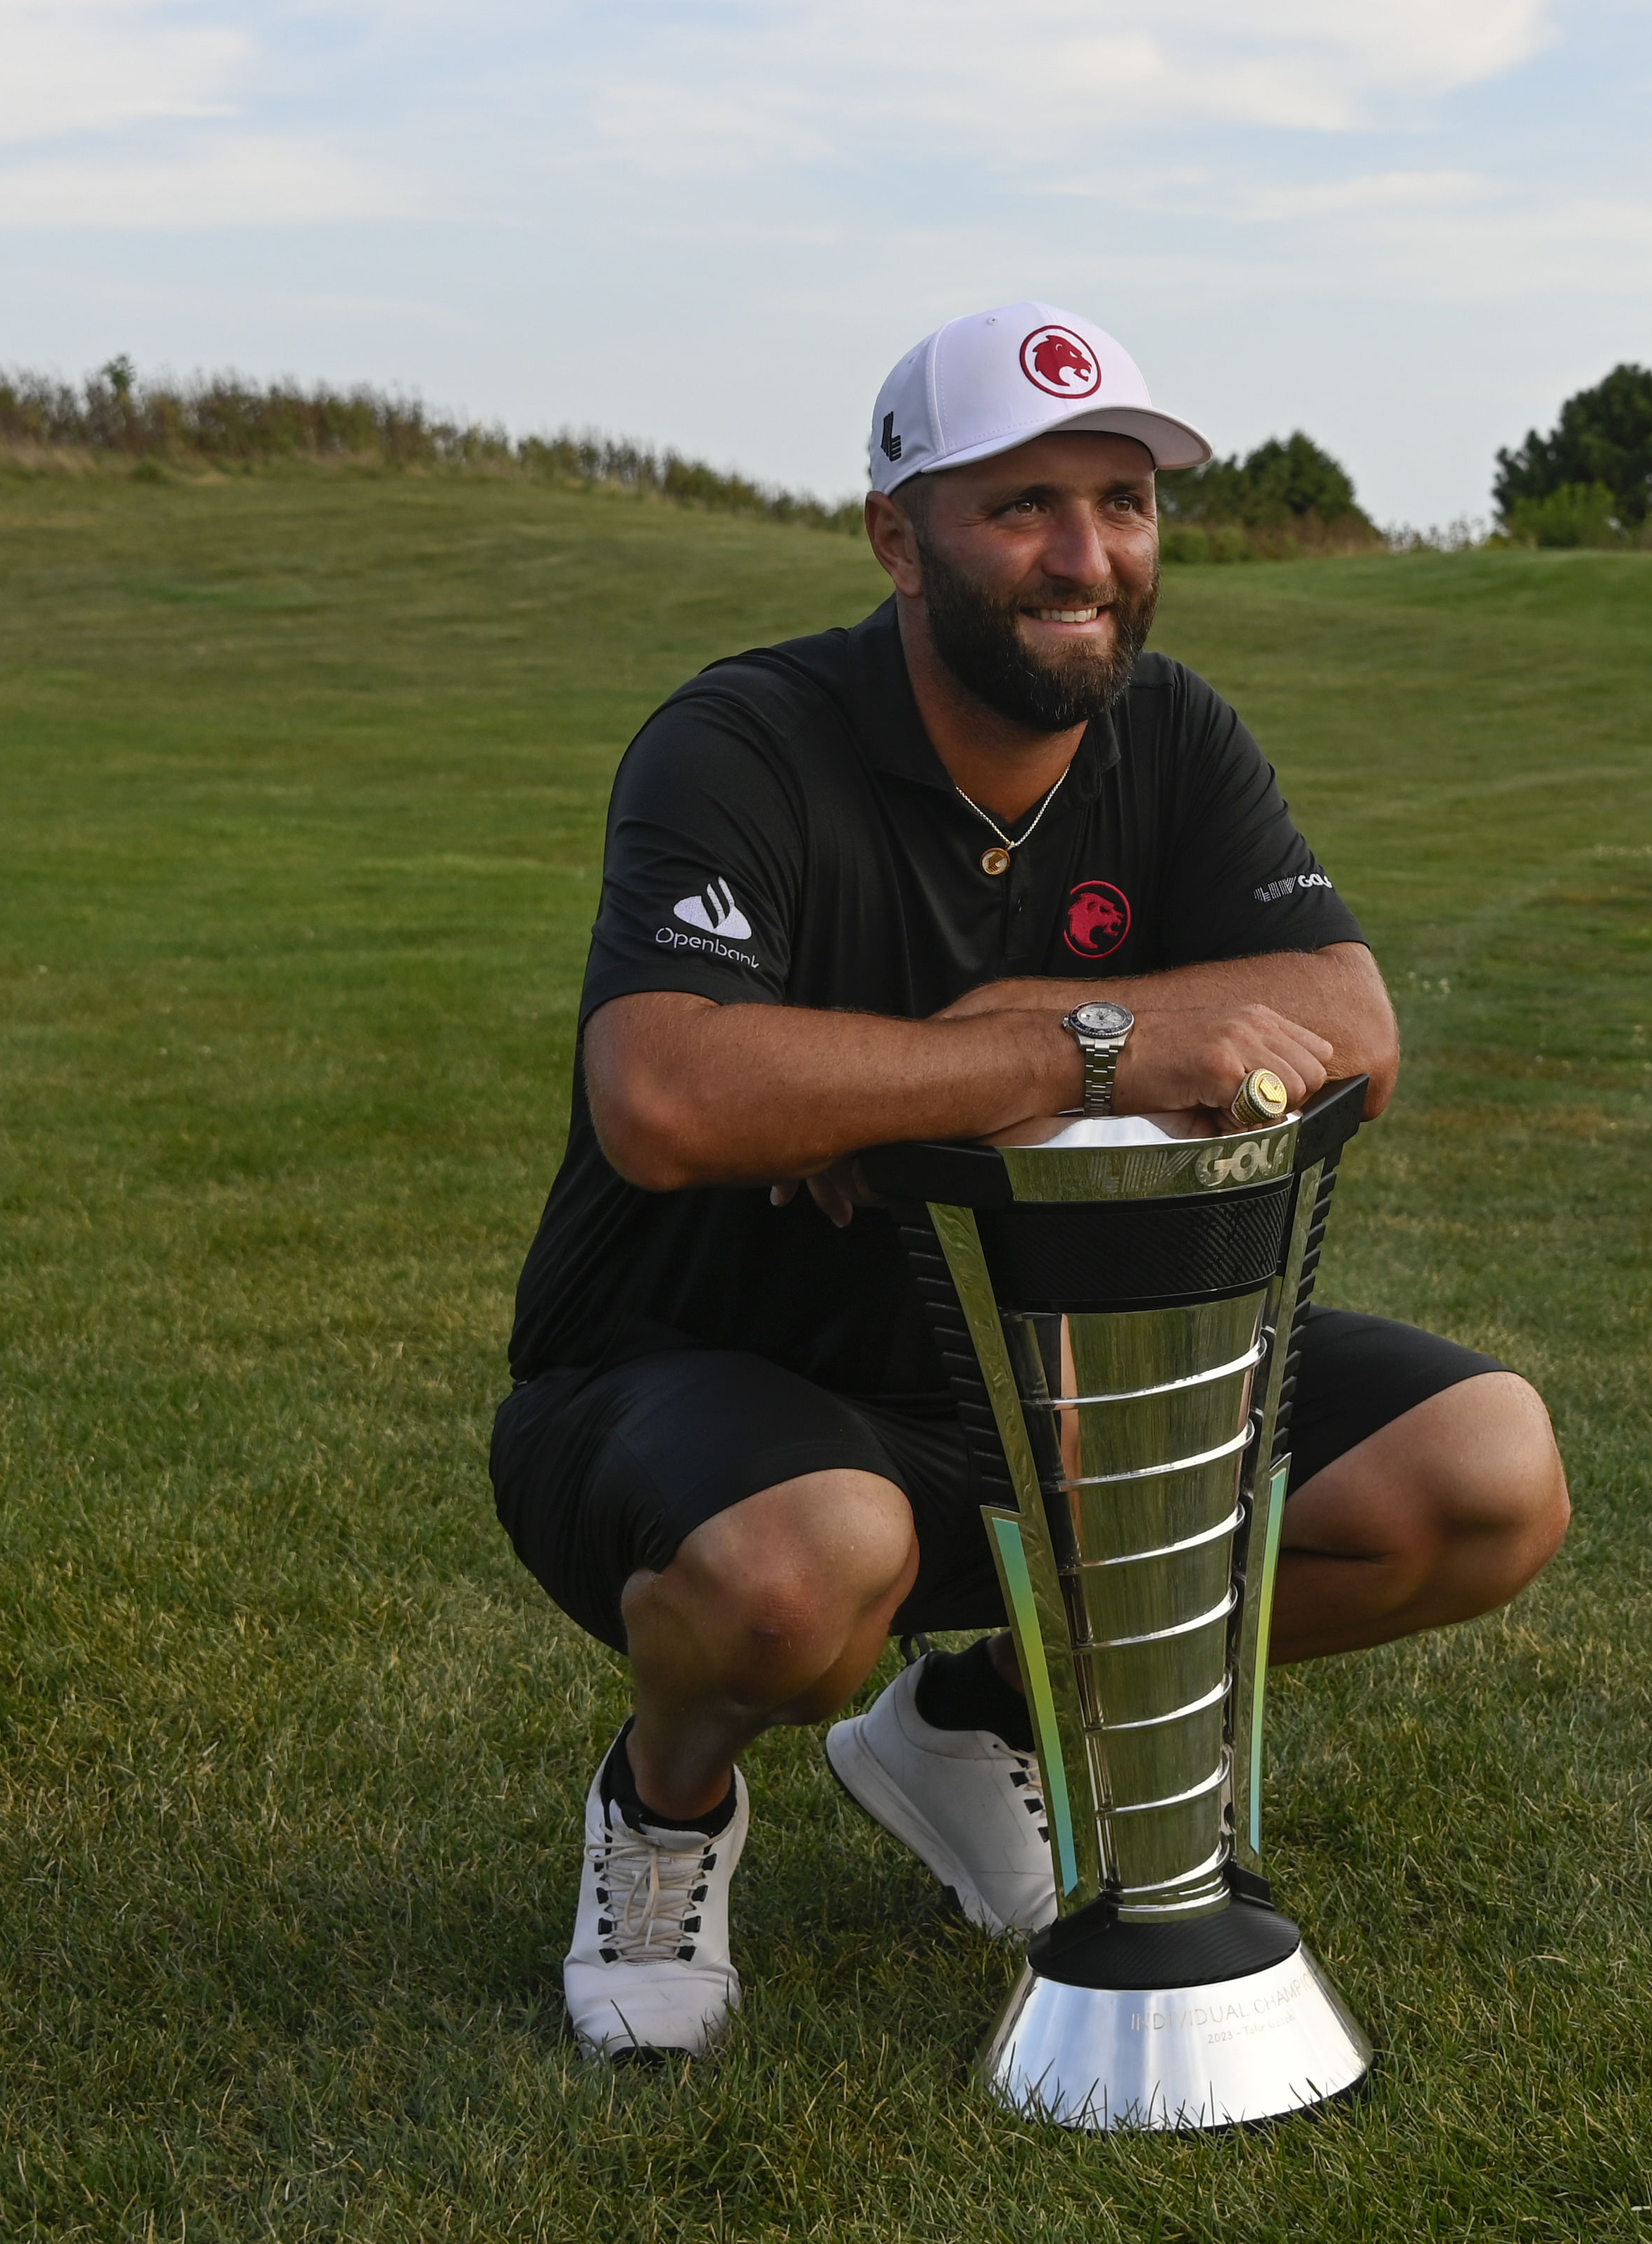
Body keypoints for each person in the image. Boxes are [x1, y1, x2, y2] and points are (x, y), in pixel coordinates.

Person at [488, 302, 1571, 2057]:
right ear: (896, 535)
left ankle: (972, 1706)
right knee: (801, 1572)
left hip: (1056, 1377)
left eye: (1125, 502)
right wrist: (1059, 1062)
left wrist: (1000, 1025)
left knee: (1485, 1477)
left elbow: (1353, 1028)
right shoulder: (746, 742)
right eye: (1025, 507)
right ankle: (666, 1808)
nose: (1090, 558)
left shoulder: (1175, 741)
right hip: (694, 1364)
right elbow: (667, 1091)